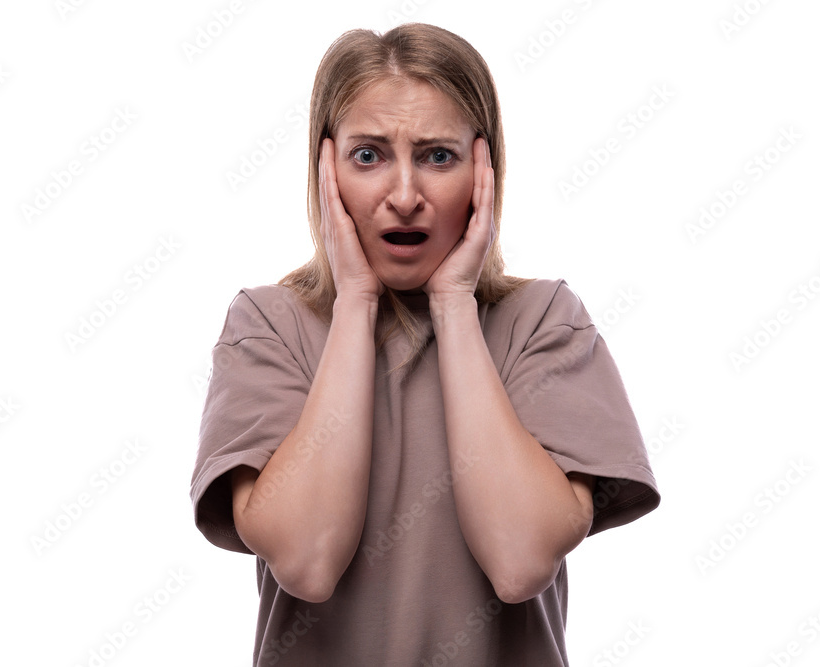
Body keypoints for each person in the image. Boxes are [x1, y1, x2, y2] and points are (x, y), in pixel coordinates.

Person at [190, 22, 660, 666]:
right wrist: (354, 301)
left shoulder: (543, 321)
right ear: (324, 169)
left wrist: (454, 305)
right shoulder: (268, 325)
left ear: (483, 169)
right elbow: (308, 561)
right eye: (368, 156)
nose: (404, 196)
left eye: (438, 156)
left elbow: (520, 563)